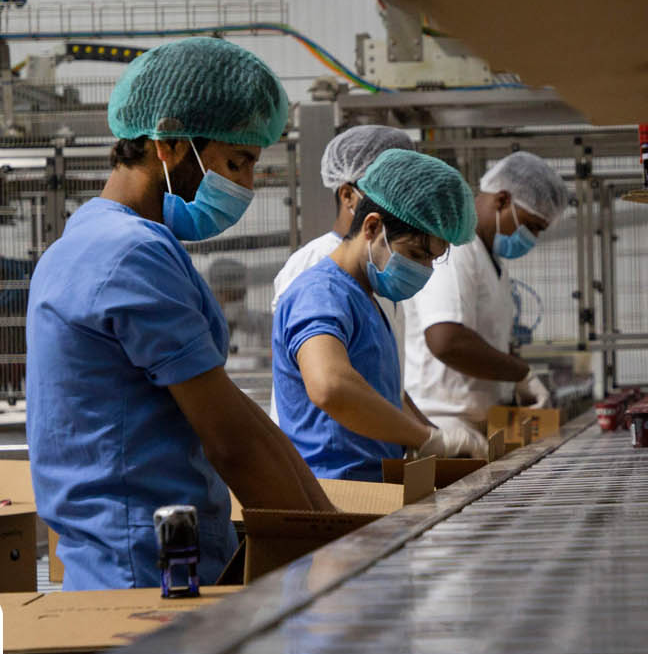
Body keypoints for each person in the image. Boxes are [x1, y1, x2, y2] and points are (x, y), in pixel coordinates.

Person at [26, 37, 334, 592]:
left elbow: (240, 417)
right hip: (144, 578)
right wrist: (335, 561)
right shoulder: (128, 254)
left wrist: (333, 529)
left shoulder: (103, 241)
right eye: (235, 162)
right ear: (167, 143)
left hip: (150, 563)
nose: (245, 184)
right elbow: (230, 441)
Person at [274, 149, 488, 481]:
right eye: (416, 254)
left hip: (374, 483)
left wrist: (437, 439)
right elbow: (331, 387)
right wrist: (427, 438)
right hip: (334, 491)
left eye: (432, 259)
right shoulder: (321, 293)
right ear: (372, 227)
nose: (424, 269)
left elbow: (381, 392)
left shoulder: (366, 298)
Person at [400, 151, 568, 446]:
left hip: (477, 423)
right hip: (444, 425)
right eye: (531, 226)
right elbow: (446, 340)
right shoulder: (456, 250)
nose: (532, 238)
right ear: (502, 200)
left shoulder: (490, 260)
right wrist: (521, 374)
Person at [268, 124, 411, 422]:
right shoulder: (316, 265)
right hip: (324, 457)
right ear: (348, 195)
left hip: (368, 451)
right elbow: (327, 382)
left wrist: (428, 435)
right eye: (389, 192)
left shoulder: (381, 264)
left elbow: (382, 383)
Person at [207, 258, 272, 368]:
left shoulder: (263, 323)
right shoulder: (203, 328)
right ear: (214, 294)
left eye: (239, 294)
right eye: (228, 295)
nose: (236, 300)